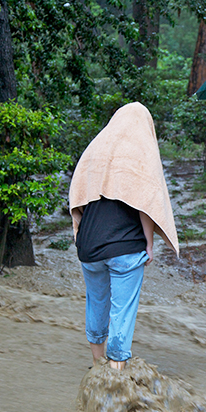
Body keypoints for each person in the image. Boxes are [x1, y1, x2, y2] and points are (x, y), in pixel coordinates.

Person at [69, 102, 179, 371]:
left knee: (96, 302)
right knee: (122, 310)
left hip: (89, 246)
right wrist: (149, 244)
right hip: (125, 246)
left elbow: (79, 195)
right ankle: (116, 374)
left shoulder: (96, 148)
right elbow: (146, 202)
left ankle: (97, 365)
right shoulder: (140, 151)